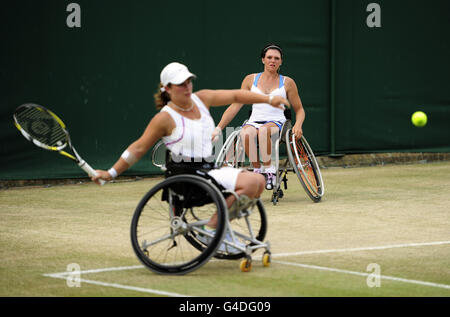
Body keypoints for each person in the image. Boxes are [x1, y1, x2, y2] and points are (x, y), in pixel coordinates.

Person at [91, 62, 290, 229]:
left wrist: (269, 99)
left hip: (208, 170)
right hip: (186, 179)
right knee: (250, 183)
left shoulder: (202, 98)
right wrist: (111, 173)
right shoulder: (165, 118)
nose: (187, 87)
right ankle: (213, 228)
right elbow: (139, 148)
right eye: (180, 84)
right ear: (167, 89)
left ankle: (216, 226)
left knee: (258, 181)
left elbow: (236, 96)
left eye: (188, 82)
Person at [212, 44, 305, 190]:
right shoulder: (250, 80)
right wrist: (218, 128)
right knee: (245, 133)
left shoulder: (288, 82)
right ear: (263, 60)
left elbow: (299, 110)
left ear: (281, 62)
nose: (272, 61)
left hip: (277, 123)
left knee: (263, 131)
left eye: (276, 58)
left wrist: (298, 124)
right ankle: (257, 171)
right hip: (253, 121)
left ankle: (269, 171)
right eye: (269, 57)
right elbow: (234, 106)